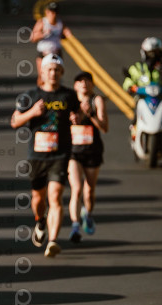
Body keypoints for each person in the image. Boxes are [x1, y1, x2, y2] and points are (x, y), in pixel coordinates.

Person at [10, 54, 80, 258]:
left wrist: (77, 118)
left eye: (57, 70)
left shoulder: (69, 95)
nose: (53, 73)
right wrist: (32, 112)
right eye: (49, 69)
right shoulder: (30, 95)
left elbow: (78, 115)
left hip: (61, 154)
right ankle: (40, 221)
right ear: (42, 72)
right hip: (37, 155)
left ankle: (53, 241)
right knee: (38, 198)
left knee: (55, 197)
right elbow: (14, 121)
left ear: (62, 72)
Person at [68, 71, 108, 242]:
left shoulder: (96, 100)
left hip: (92, 150)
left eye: (87, 81)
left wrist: (90, 114)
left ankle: (88, 214)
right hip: (73, 151)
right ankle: (75, 226)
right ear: (75, 85)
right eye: (80, 81)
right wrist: (70, 119)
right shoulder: (69, 100)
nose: (84, 84)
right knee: (76, 189)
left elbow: (104, 127)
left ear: (93, 84)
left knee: (89, 190)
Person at [122, 37, 162, 139]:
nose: (153, 57)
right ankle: (134, 129)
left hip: (160, 98)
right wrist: (130, 87)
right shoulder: (138, 67)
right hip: (143, 97)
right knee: (136, 108)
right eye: (150, 53)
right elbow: (129, 81)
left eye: (156, 53)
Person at [29, 2, 71, 86]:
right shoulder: (42, 22)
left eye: (55, 12)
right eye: (51, 12)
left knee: (56, 77)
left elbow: (66, 34)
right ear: (47, 12)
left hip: (56, 54)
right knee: (42, 77)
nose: (53, 14)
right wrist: (44, 34)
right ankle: (40, 92)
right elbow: (32, 38)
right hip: (44, 54)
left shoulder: (60, 23)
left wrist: (66, 34)